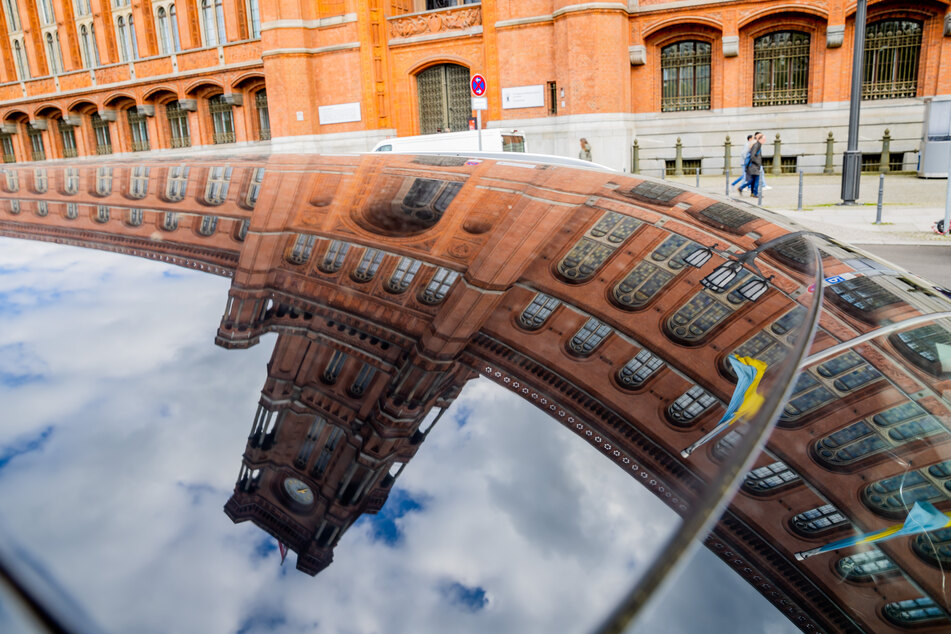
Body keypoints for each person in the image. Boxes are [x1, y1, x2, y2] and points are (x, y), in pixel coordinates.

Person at [746, 132, 764, 197]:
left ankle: (752, 193)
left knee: (753, 180)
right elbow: (752, 156)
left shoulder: (756, 145)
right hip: (755, 166)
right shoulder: (756, 145)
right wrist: (758, 163)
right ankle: (755, 193)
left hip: (753, 166)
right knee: (756, 180)